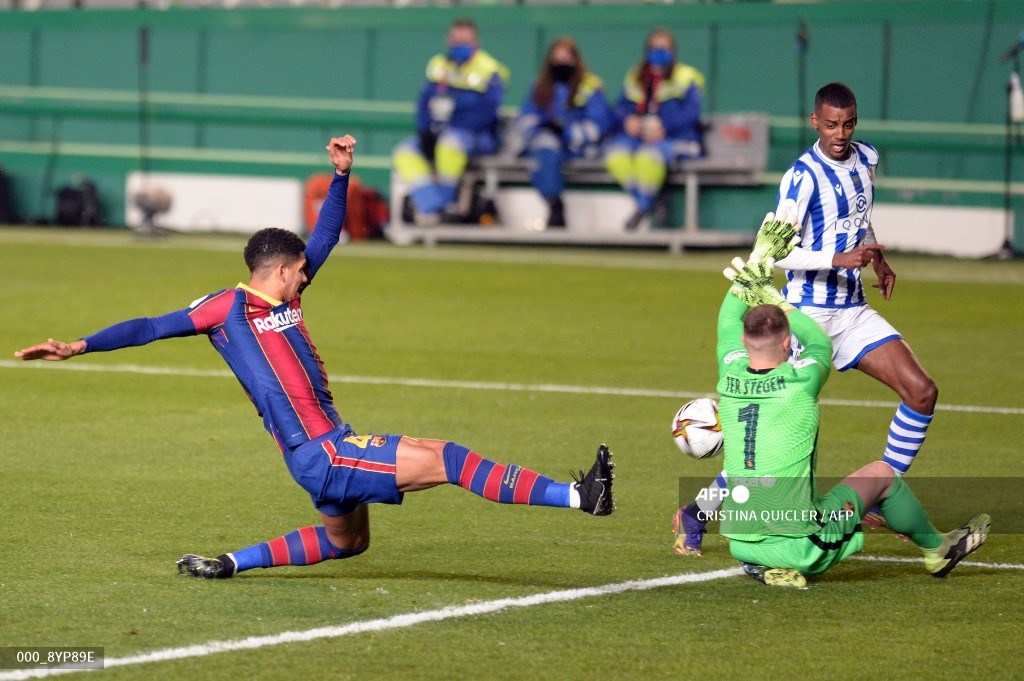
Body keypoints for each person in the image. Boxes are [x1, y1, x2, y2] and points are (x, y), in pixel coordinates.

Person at [13, 135, 615, 580]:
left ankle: (228, 563)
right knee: (448, 458)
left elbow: (323, 239)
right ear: (278, 271)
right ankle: (579, 497)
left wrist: (340, 176)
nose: (308, 278)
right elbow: (150, 326)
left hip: (319, 451)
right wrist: (81, 344)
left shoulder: (286, 297)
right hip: (323, 452)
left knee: (348, 543)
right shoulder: (226, 309)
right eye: (300, 272)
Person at [672, 82, 938, 555]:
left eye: (849, 123)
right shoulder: (801, 177)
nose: (841, 133)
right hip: (805, 317)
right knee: (772, 433)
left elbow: (859, 218)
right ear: (815, 122)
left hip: (852, 311)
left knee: (922, 391)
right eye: (832, 124)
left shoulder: (866, 159)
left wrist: (875, 256)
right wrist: (839, 260)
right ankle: (697, 511)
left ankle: (881, 497)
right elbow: (777, 254)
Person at [713, 221, 989, 587]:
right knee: (881, 475)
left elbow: (726, 319)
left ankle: (760, 566)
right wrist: (778, 299)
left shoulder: (728, 372)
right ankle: (939, 550)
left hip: (740, 541)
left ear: (743, 342)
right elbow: (816, 340)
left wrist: (758, 258)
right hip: (803, 546)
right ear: (785, 346)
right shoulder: (801, 382)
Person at [393, 18, 509, 226]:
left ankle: (448, 205)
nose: (460, 45)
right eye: (456, 40)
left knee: (450, 143)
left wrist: (449, 129)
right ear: (448, 40)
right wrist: (426, 132)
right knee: (405, 152)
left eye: (465, 40)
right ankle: (430, 207)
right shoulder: (438, 65)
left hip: (475, 137)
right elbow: (424, 104)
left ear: (476, 42)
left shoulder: (489, 69)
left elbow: (487, 113)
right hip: (437, 134)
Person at [604, 28, 705, 232]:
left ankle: (641, 209)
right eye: (655, 48)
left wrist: (665, 128)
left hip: (675, 138)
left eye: (664, 48)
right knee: (615, 156)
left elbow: (692, 113)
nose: (659, 52)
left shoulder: (685, 77)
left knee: (647, 157)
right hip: (639, 135)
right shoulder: (636, 76)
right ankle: (652, 199)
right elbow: (621, 108)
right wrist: (627, 120)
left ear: (673, 51)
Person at [514, 37, 611, 229]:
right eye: (556, 59)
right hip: (546, 147)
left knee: (546, 150)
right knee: (544, 149)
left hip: (578, 148)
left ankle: (554, 205)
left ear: (575, 60)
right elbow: (525, 118)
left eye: (565, 58)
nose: (561, 64)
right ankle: (554, 204)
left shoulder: (589, 86)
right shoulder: (540, 87)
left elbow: (599, 124)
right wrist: (543, 127)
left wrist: (565, 132)